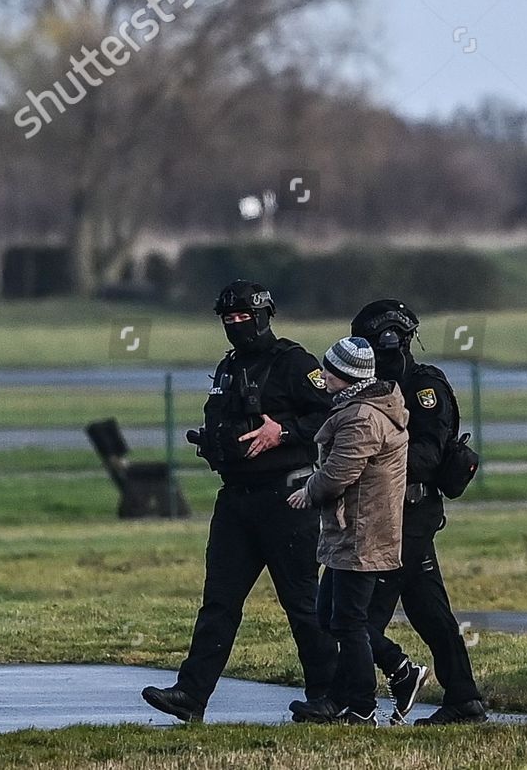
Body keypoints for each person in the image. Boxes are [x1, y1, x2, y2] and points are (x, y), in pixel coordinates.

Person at [142, 281, 337, 723]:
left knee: (303, 604)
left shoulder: (293, 362)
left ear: (264, 316)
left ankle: (329, 696)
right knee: (219, 602)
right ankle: (191, 695)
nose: (235, 326)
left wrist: (282, 432)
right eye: (228, 320)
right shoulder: (228, 368)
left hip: (287, 497)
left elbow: (327, 413)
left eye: (243, 318)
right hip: (236, 500)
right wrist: (215, 445)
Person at [352, 300, 488, 725]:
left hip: (409, 514)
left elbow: (428, 455)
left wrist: (372, 458)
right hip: (383, 513)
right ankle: (464, 697)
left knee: (353, 617)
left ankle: (365, 694)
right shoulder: (368, 385)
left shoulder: (424, 387)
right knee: (430, 611)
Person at [287, 337, 409, 726]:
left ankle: (360, 705)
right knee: (328, 615)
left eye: (329, 370)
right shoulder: (357, 407)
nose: (322, 375)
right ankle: (400, 670)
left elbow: (341, 473)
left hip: (363, 531)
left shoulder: (362, 417)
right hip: (350, 529)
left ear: (346, 376)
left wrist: (308, 491)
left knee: (348, 621)